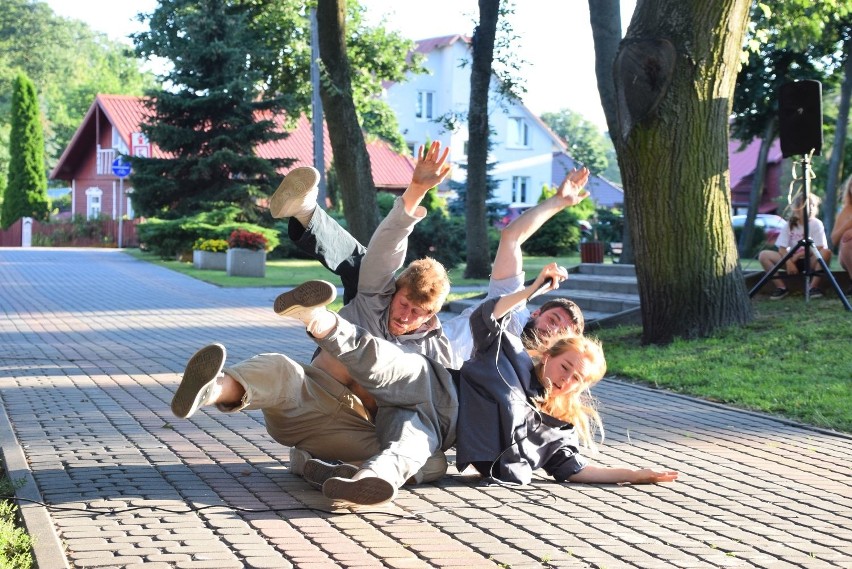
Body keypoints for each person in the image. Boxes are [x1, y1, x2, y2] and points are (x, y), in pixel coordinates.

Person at [269, 272, 677, 506]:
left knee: (410, 453)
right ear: (552, 354)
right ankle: (317, 318)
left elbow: (577, 470)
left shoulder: (549, 428)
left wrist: (637, 474)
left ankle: (361, 484)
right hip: (435, 383)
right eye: (566, 366)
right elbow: (494, 312)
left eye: (577, 379)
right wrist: (533, 289)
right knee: (381, 358)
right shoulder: (511, 352)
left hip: (436, 427)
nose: (567, 378)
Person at [269, 145, 591, 367]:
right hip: (413, 337)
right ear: (536, 313)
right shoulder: (513, 306)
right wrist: (558, 203)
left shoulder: (549, 371)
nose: (553, 332)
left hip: (420, 370)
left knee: (364, 268)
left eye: (563, 332)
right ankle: (306, 213)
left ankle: (309, 225)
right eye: (553, 320)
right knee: (369, 267)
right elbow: (511, 236)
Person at [758, 192, 832, 299]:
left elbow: (819, 247)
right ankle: (781, 288)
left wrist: (798, 255)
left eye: (813, 205)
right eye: (807, 205)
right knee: (764, 255)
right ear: (797, 208)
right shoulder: (790, 224)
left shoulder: (816, 223)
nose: (810, 208)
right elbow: (782, 248)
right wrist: (789, 262)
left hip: (810, 259)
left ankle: (812, 288)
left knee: (826, 252)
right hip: (792, 260)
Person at [830, 175, 852, 296]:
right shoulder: (846, 210)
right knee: (847, 241)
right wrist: (847, 225)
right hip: (847, 255)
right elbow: (834, 240)